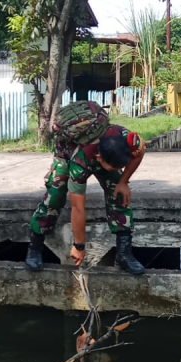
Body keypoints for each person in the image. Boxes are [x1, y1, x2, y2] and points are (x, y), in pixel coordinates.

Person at [25, 100, 146, 275]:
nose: (116, 171)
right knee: (55, 196)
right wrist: (79, 245)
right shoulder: (79, 164)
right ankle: (35, 248)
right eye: (113, 168)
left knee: (118, 194)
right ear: (98, 157)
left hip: (101, 154)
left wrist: (123, 182)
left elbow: (139, 152)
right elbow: (78, 207)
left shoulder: (126, 138)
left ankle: (124, 254)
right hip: (66, 154)